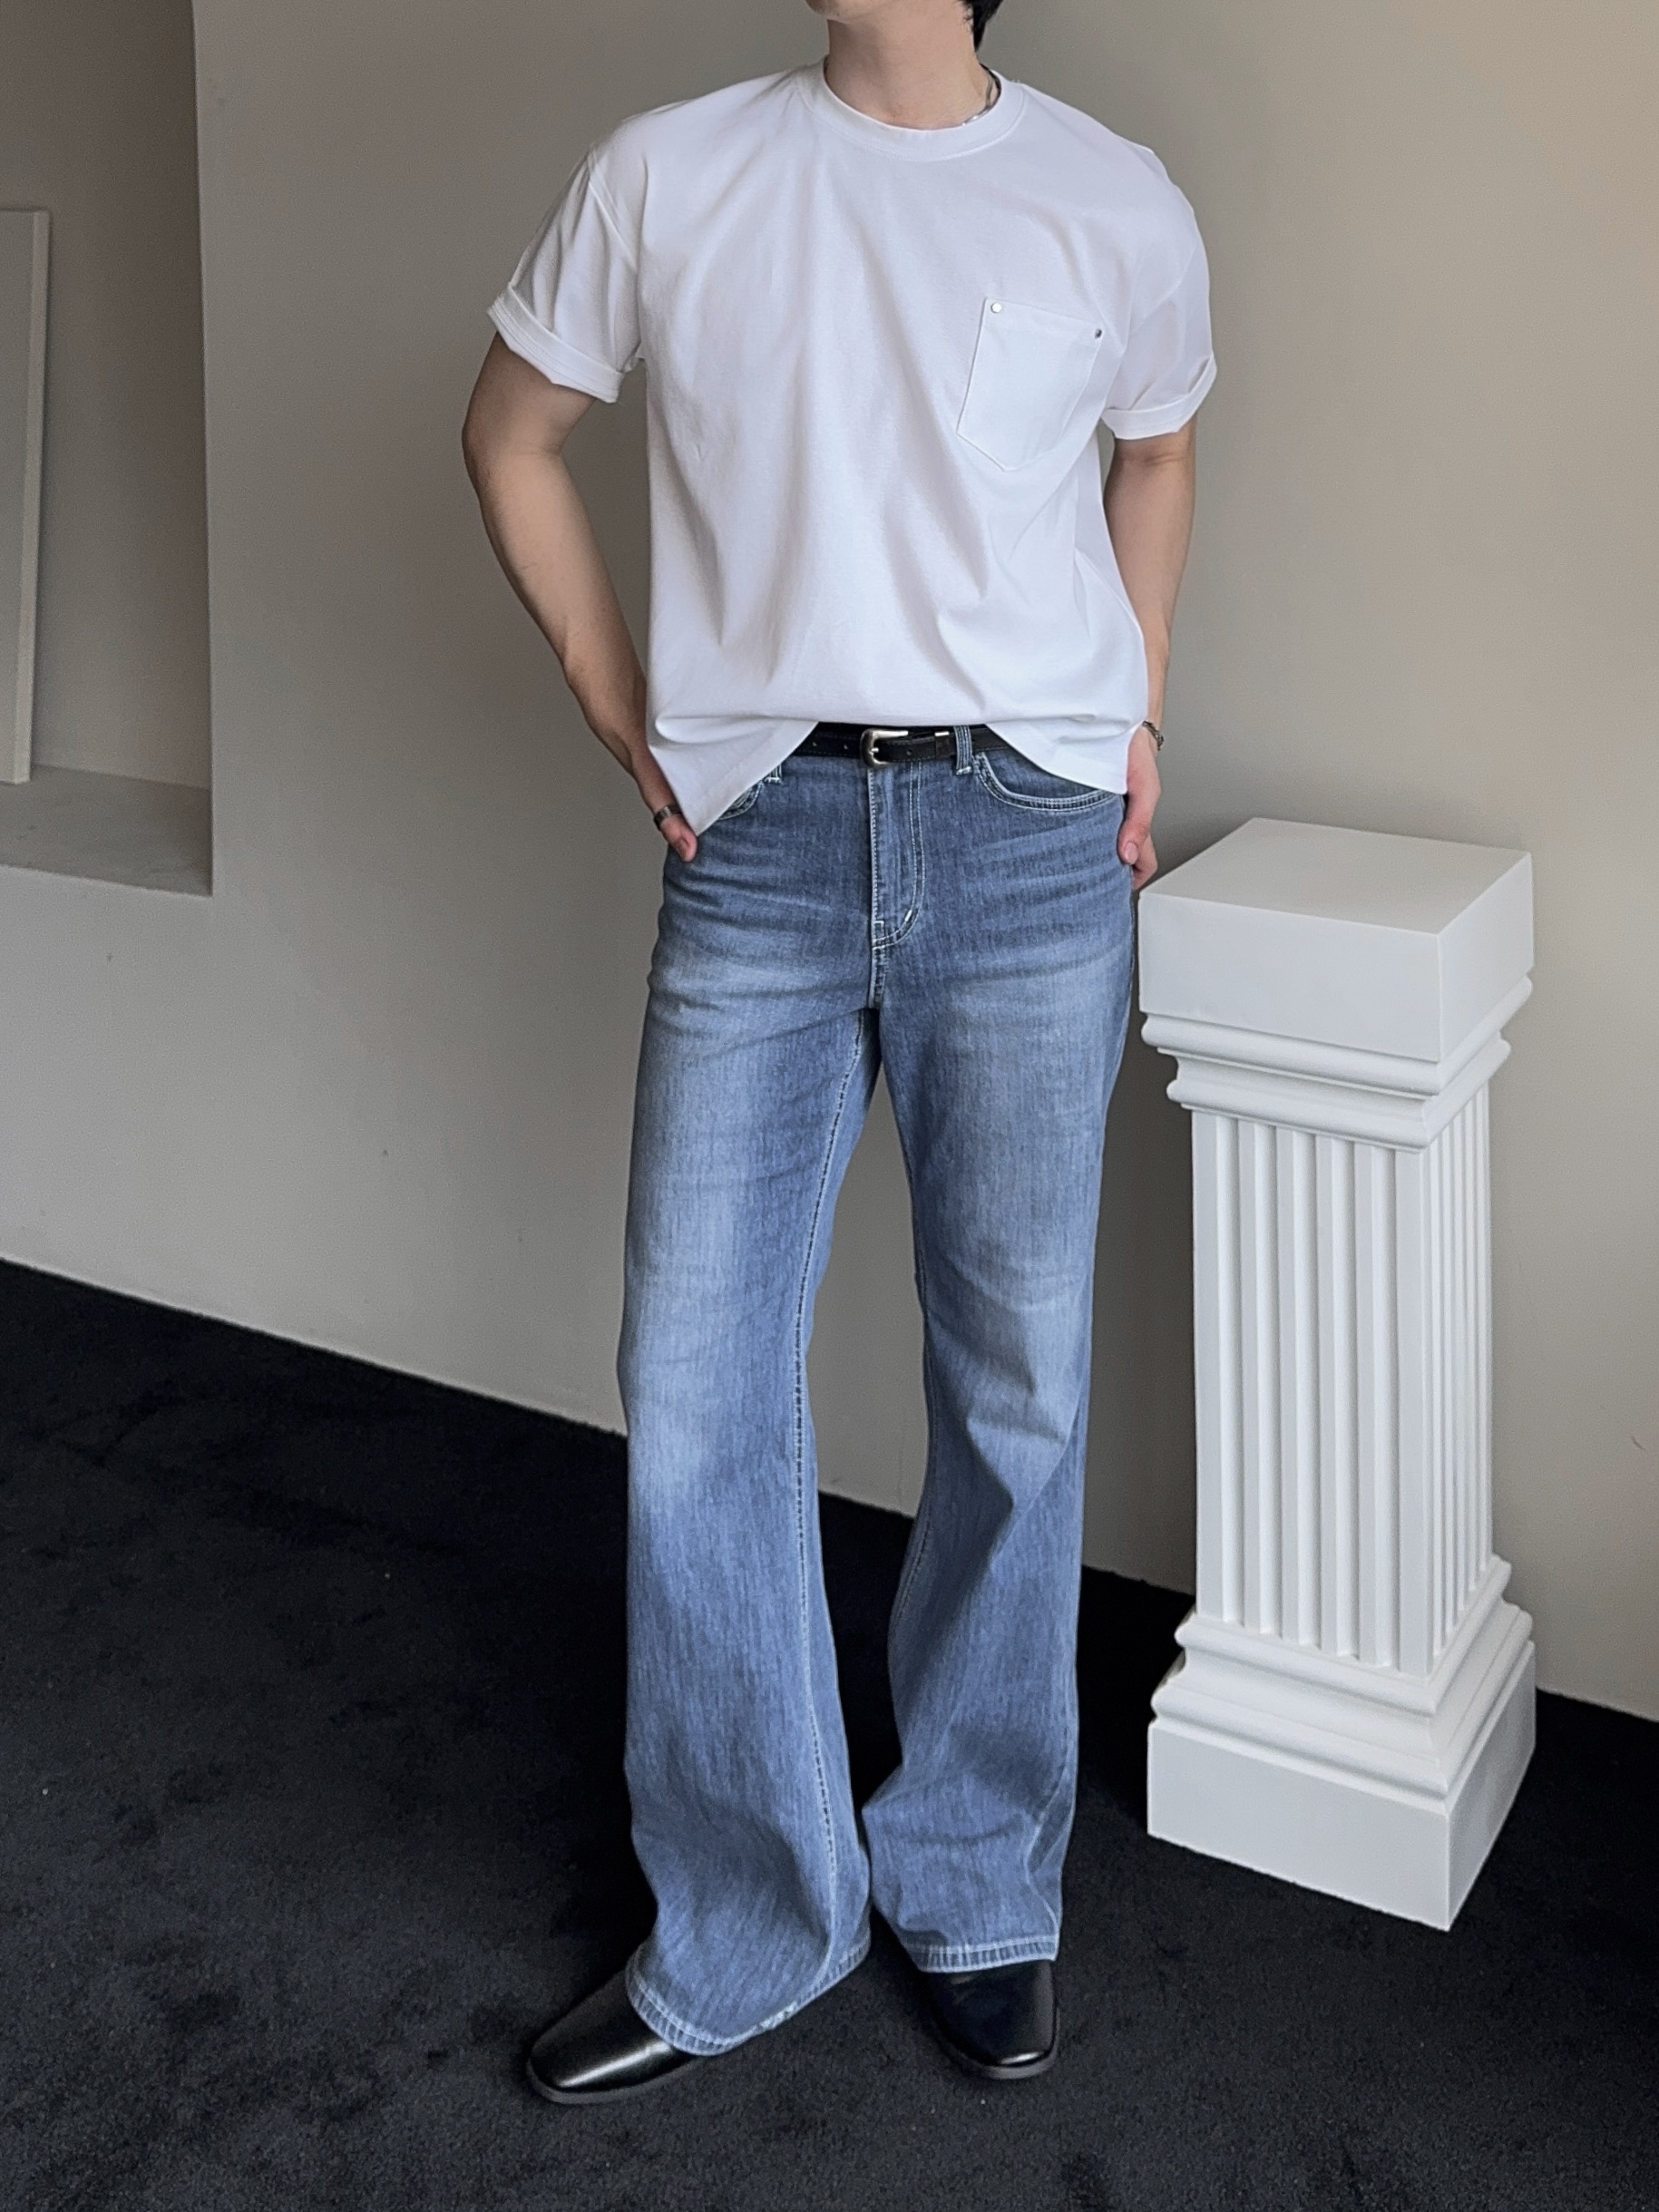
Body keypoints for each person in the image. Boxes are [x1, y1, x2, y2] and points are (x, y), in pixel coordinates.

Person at [463, 0, 1214, 2103]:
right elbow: (507, 428)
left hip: (1029, 844)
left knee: (1017, 1380)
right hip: (766, 846)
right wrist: (623, 705)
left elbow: (1160, 451)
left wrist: (1136, 707)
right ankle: (748, 1912)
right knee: (697, 1376)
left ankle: (976, 1872)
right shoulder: (669, 173)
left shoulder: (1112, 199)